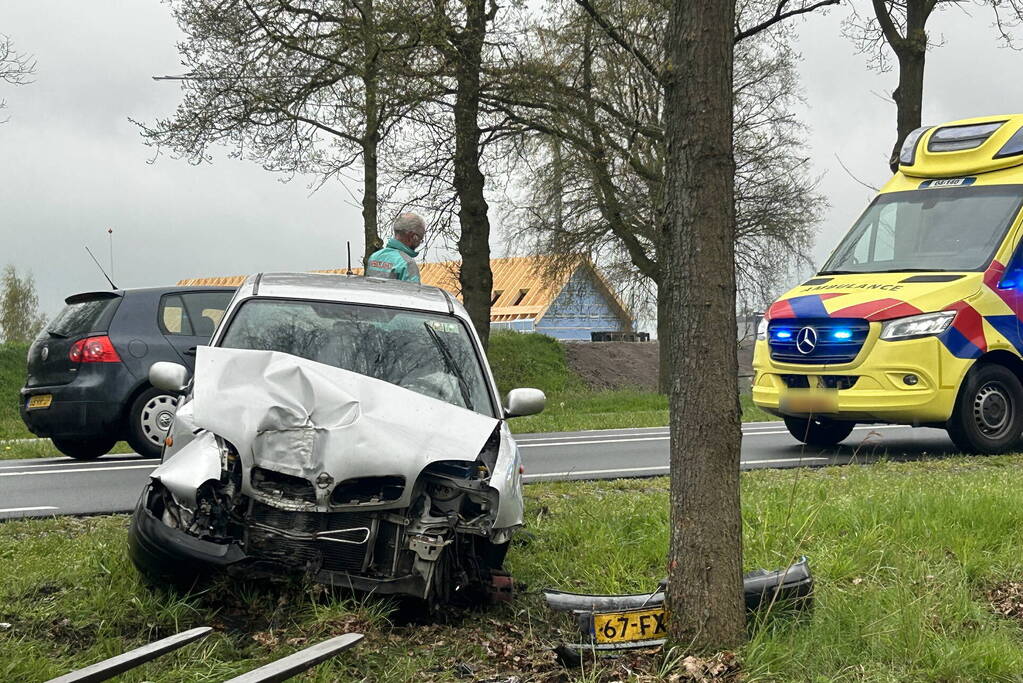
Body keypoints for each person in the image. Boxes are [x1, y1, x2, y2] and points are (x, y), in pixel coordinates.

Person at [365, 213, 426, 282]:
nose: (419, 244)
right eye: (420, 240)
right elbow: (413, 292)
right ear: (412, 236)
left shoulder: (374, 257)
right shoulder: (408, 264)